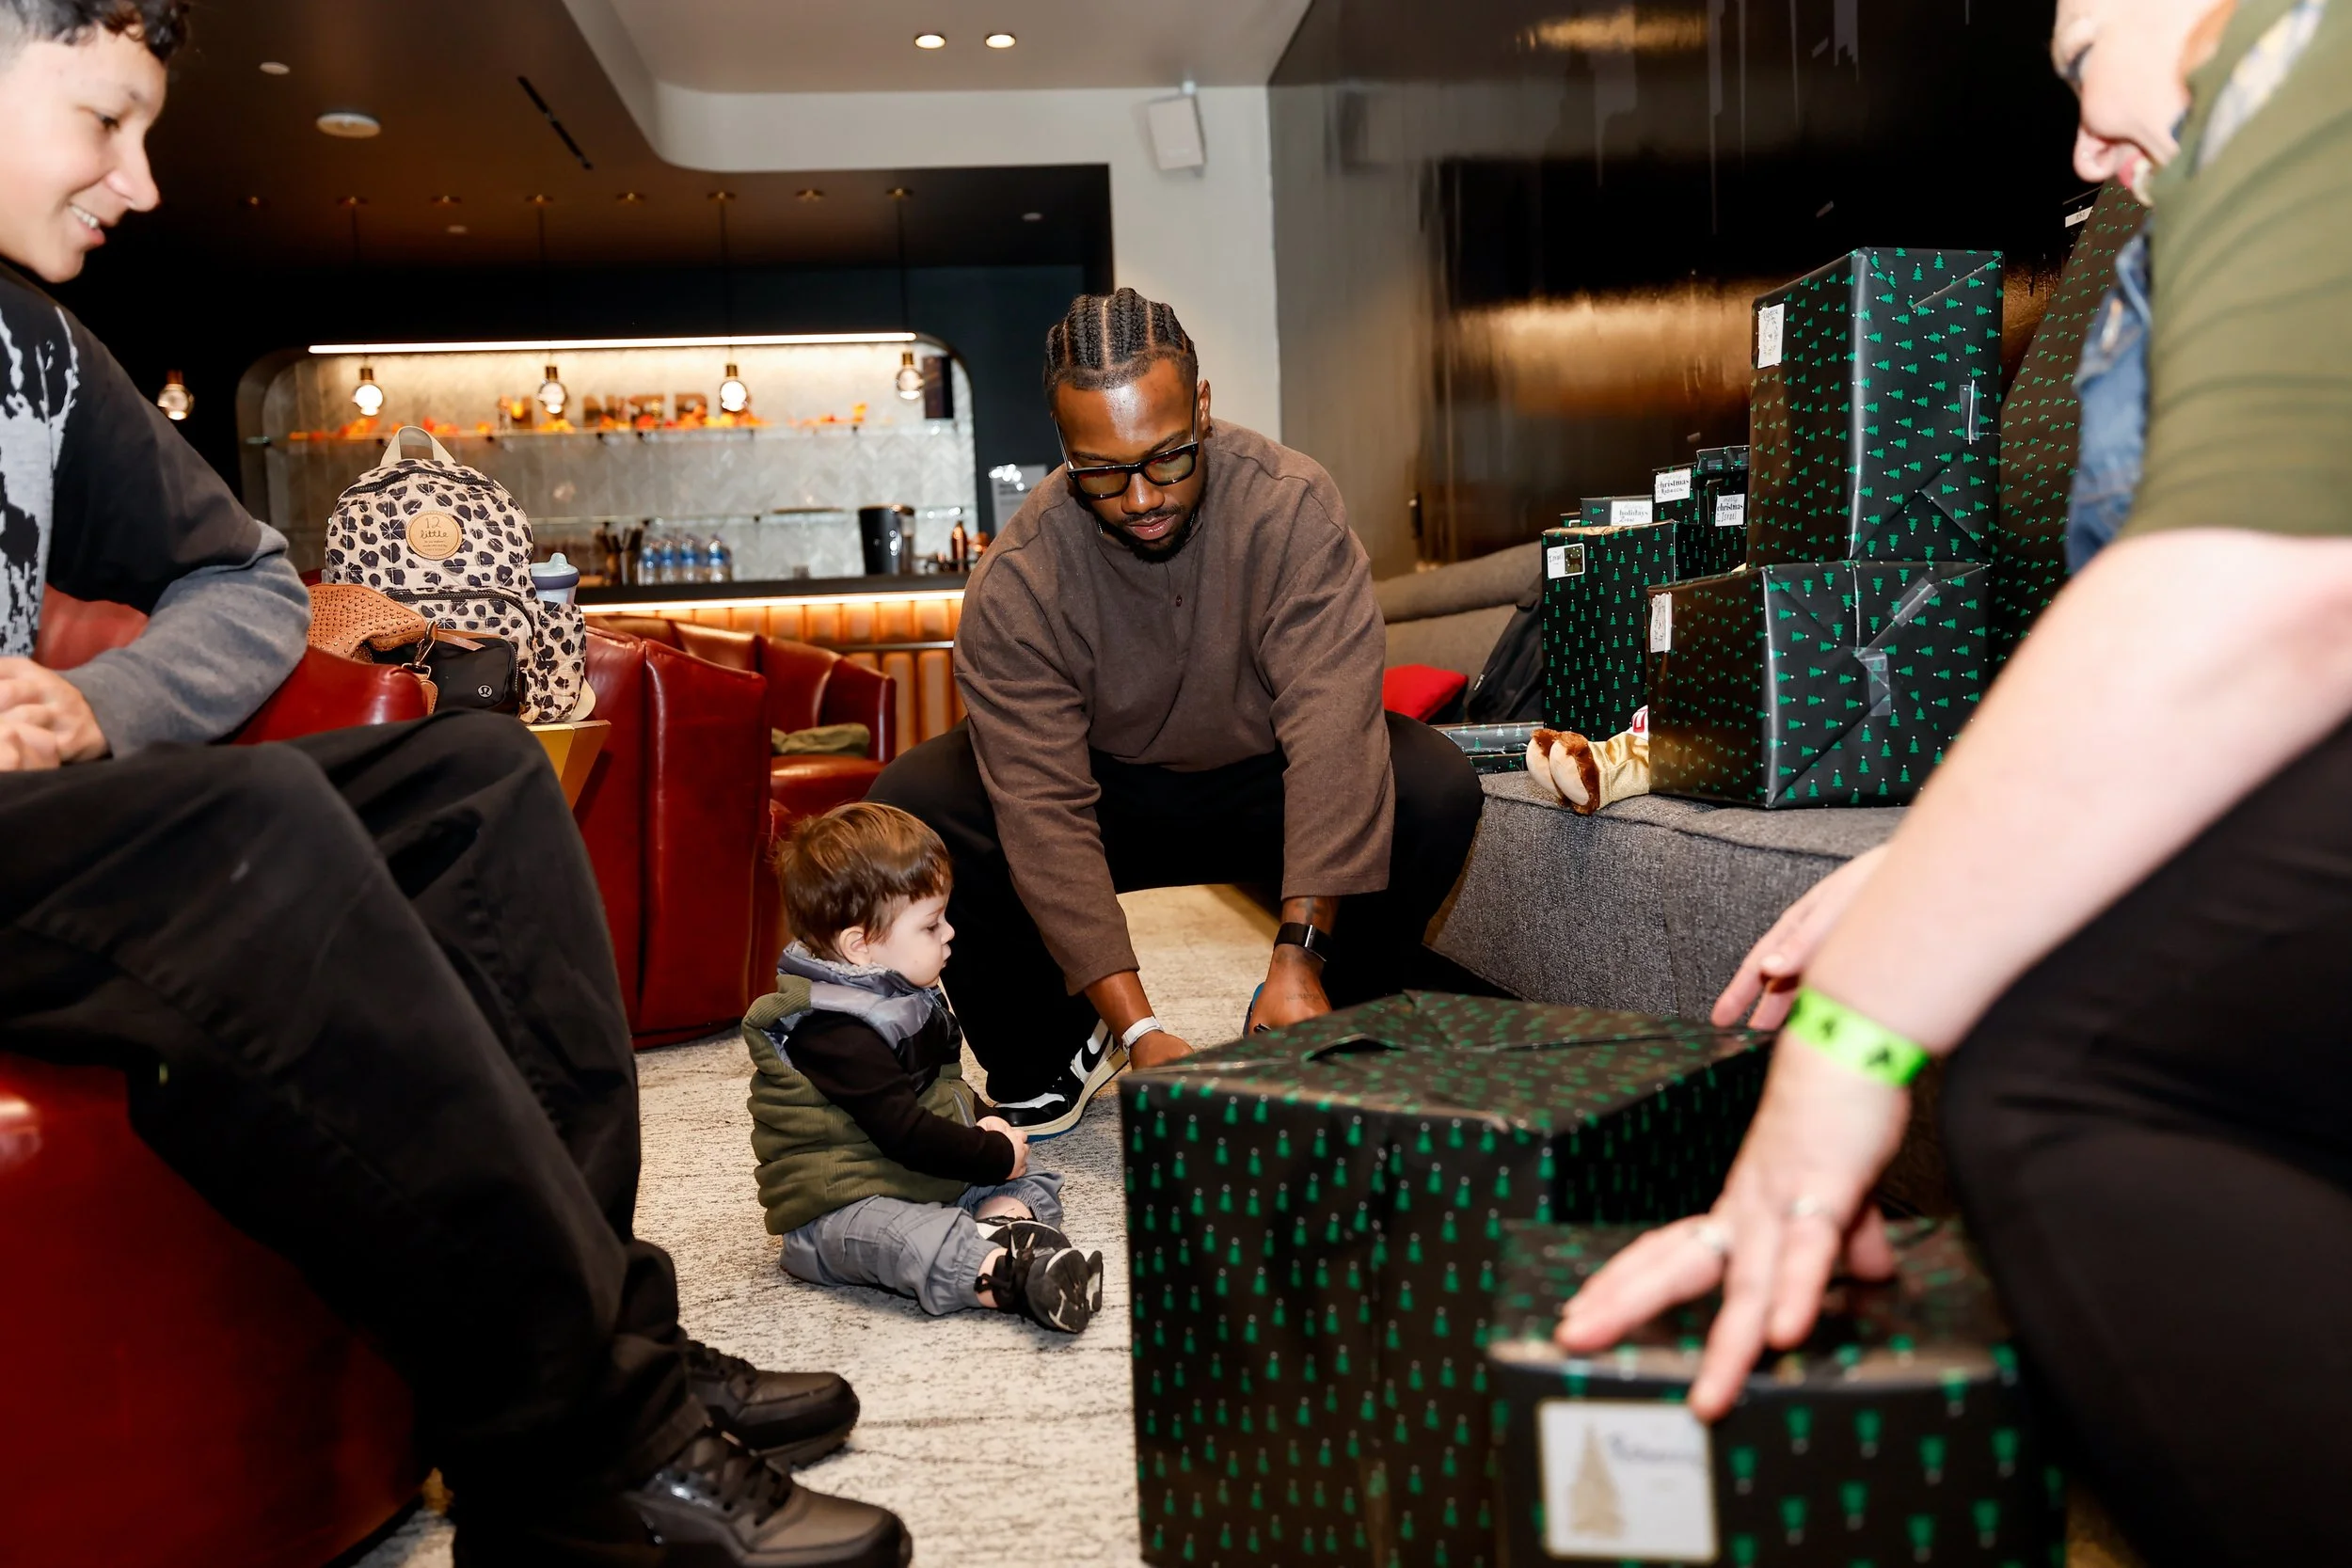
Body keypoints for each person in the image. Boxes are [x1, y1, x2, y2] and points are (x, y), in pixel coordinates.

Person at [0, 6, 907, 1563]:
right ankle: (585, 1450)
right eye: (104, 122)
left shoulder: (34, 350)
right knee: (256, 825)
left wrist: (101, 706)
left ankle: (592, 1326)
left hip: (34, 825)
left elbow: (241, 577)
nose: (140, 182)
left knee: (476, 779)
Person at [1556, 2, 2352, 1562]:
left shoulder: (2302, 65)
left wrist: (1840, 1070)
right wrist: (1929, 871)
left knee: (2051, 1055)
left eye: (2078, 61)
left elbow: (2263, 602)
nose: (2078, 140)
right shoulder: (2166, 247)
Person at [870, 289, 1485, 1132]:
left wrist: (1299, 953)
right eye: (1103, 470)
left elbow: (1334, 734)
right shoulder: (1019, 578)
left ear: (1202, 406)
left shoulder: (1291, 507)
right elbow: (1044, 810)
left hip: (1265, 782)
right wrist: (1140, 1027)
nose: (1140, 497)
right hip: (1107, 792)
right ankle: (1052, 1047)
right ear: (1064, 447)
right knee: (924, 794)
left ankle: (1324, 1011)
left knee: (1432, 781)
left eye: (1167, 457)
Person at [747, 802, 1104, 1331]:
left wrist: (987, 1122)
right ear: (861, 945)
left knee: (1033, 1176)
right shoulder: (832, 1030)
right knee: (911, 1238)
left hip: (907, 1175)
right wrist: (987, 1153)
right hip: (841, 1207)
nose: (950, 933)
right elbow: (904, 1133)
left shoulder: (895, 989)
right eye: (931, 925)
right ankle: (1007, 1277)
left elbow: (939, 1084)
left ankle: (1002, 1233)